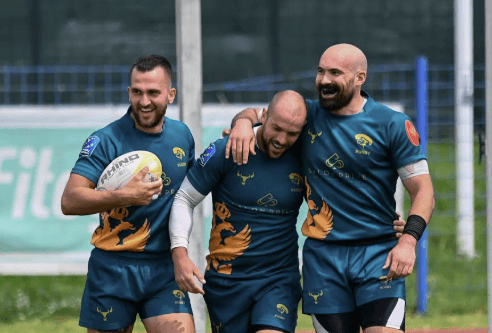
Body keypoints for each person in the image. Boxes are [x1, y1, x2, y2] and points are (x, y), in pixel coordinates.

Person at [226, 43, 435, 333]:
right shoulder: (305, 116)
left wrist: (409, 242)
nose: (324, 80)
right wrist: (243, 123)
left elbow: (423, 190)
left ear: (360, 78)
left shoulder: (393, 124)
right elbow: (260, 113)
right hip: (323, 261)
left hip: (378, 256)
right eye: (321, 71)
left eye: (335, 73)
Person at [61, 55, 196, 333]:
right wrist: (124, 196)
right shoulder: (105, 139)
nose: (144, 101)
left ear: (171, 95)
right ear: (129, 92)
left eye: (153, 93)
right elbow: (70, 200)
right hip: (113, 268)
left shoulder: (182, 135)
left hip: (163, 269)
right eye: (137, 92)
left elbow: (190, 194)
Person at [169, 90, 307, 333]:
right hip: (226, 283)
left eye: (292, 133)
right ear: (263, 116)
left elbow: (337, 196)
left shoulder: (305, 157)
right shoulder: (226, 150)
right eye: (277, 128)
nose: (282, 139)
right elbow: (184, 198)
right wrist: (180, 255)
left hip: (278, 280)